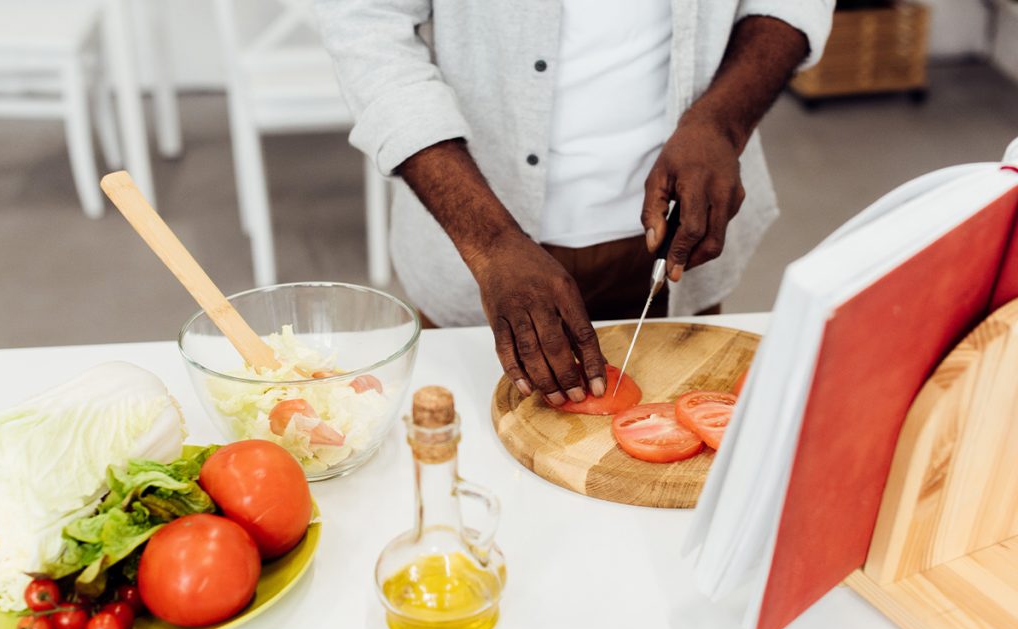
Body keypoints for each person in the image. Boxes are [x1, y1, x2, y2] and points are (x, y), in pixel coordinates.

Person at [314, 1, 833, 405]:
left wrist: (722, 122)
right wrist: (489, 241)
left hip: (678, 246)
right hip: (477, 254)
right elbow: (367, 29)